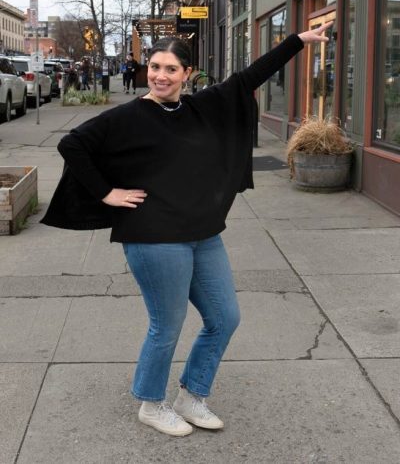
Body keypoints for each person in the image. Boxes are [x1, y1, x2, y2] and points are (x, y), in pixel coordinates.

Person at [41, 23, 332, 438]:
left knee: (224, 318)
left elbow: (249, 77)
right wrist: (107, 193)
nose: (160, 76)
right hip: (154, 238)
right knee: (167, 325)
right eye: (154, 67)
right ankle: (151, 403)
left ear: (187, 73)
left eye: (171, 69)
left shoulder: (201, 107)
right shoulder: (126, 117)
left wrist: (297, 41)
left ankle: (191, 396)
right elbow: (72, 144)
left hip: (203, 234)